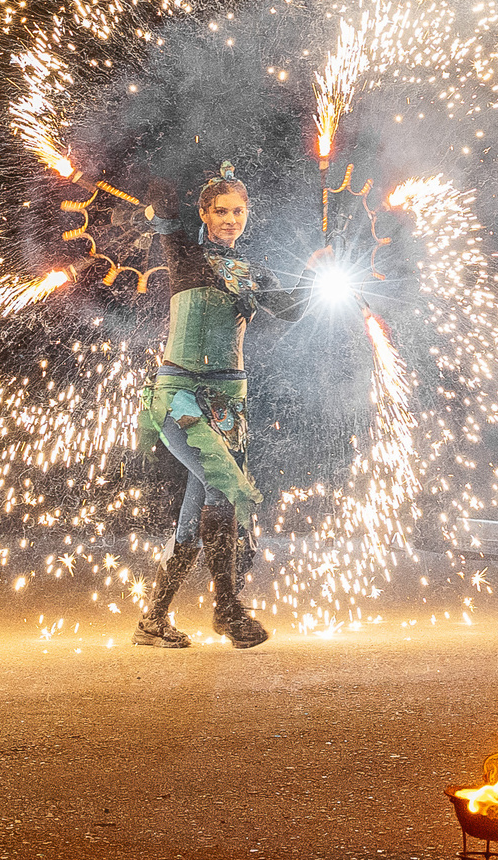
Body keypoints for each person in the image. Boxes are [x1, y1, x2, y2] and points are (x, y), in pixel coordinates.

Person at [131, 165, 303, 649]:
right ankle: (227, 611)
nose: (230, 219)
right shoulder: (184, 253)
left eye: (238, 211)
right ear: (204, 214)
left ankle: (152, 621)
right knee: (223, 486)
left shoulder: (253, 272)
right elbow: (163, 207)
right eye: (221, 211)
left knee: (198, 512)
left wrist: (315, 268)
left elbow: (293, 309)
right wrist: (161, 196)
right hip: (180, 397)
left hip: (229, 405)